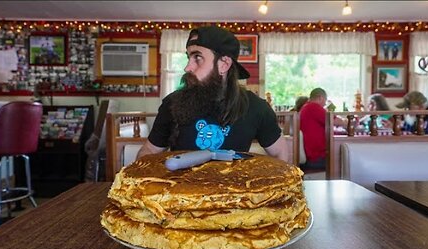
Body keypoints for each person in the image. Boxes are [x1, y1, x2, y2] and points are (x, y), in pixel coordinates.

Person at [136, 26, 289, 162]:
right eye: (189, 58)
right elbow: (150, 150)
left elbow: (280, 153)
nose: (187, 67)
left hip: (234, 192)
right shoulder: (172, 103)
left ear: (224, 64)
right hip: (182, 191)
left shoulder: (257, 108)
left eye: (198, 58)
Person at [299, 88, 346, 170]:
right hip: (316, 158)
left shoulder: (306, 107)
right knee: (345, 160)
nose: (325, 104)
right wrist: (348, 122)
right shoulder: (313, 107)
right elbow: (336, 121)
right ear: (320, 98)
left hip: (313, 155)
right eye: (325, 100)